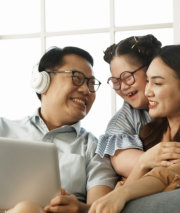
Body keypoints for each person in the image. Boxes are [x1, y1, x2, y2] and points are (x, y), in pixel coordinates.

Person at [95, 35, 180, 212]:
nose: (148, 91)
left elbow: (178, 175)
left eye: (157, 82)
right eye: (115, 81)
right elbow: (120, 184)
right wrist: (140, 167)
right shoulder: (146, 130)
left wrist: (125, 192)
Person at [0, 46, 118, 213]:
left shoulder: (94, 149)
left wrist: (80, 208)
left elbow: (99, 208)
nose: (86, 90)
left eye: (91, 84)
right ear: (43, 81)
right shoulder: (3, 128)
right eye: (77, 78)